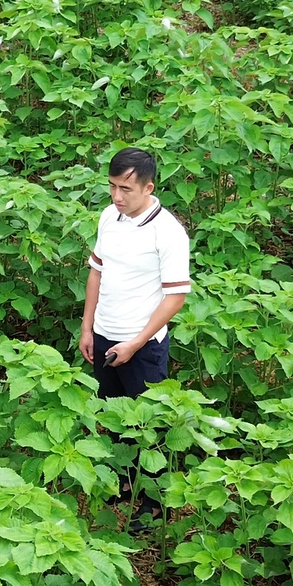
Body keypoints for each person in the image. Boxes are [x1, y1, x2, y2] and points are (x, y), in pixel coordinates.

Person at [80, 147, 192, 399]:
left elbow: (175, 297)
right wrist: (87, 329)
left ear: (148, 188)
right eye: (112, 186)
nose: (116, 196)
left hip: (143, 346)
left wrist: (135, 343)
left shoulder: (168, 232)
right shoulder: (109, 216)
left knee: (146, 425)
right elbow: (96, 273)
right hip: (102, 335)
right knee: (109, 414)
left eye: (126, 189)